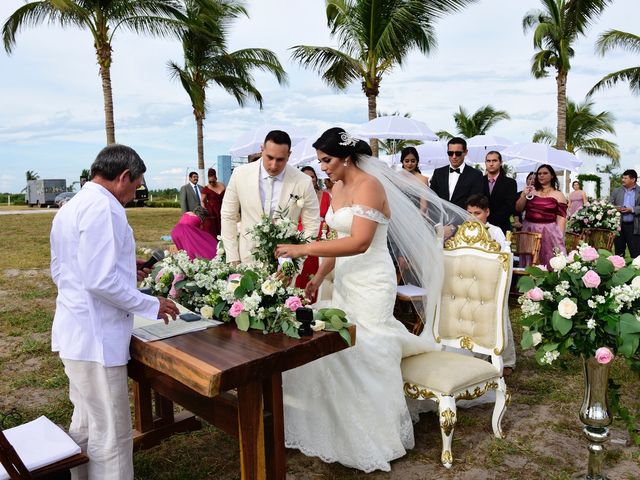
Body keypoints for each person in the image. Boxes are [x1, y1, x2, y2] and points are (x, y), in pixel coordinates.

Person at [274, 127, 467, 472]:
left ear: (346, 157)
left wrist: (303, 248)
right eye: (319, 161)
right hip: (346, 279)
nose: (323, 168)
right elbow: (338, 236)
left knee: (368, 348)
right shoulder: (336, 187)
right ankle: (339, 422)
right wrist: (319, 277)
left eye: (327, 160)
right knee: (334, 345)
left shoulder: (370, 186)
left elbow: (360, 241)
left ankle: (380, 432)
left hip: (373, 280)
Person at [50, 144, 179, 479]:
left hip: (76, 329)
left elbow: (66, 270)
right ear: (124, 177)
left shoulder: (72, 205)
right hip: (97, 338)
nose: (135, 194)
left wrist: (125, 268)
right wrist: (152, 304)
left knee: (88, 420)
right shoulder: (105, 209)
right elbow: (99, 281)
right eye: (136, 186)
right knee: (112, 432)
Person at [220, 130, 320, 264]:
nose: (273, 165)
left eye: (280, 160)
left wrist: (296, 262)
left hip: (285, 264)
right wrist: (232, 257)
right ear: (262, 149)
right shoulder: (240, 174)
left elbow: (312, 224)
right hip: (246, 260)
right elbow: (228, 216)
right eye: (270, 157)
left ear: (289, 155)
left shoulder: (303, 181)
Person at [465, 194, 516, 375]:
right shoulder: (465, 230)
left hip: (493, 280)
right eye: (469, 213)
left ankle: (507, 359)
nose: (473, 217)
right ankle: (478, 355)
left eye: (477, 213)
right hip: (471, 280)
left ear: (487, 212)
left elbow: (504, 257)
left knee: (500, 316)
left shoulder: (495, 231)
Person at [515, 164, 568, 266]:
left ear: (552, 175)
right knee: (529, 260)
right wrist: (523, 195)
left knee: (549, 259)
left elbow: (561, 218)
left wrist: (559, 237)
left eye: (545, 173)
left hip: (549, 231)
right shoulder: (531, 191)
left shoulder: (559, 195)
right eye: (539, 174)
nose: (541, 176)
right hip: (529, 230)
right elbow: (518, 208)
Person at [294, 166, 331, 301]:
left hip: (322, 236)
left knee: (318, 268)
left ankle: (316, 299)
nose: (310, 180)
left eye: (313, 176)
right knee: (302, 270)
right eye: (306, 177)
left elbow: (331, 217)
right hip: (302, 236)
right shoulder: (296, 197)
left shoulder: (326, 195)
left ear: (316, 178)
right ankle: (298, 300)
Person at [428, 137, 484, 209]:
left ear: (465, 152)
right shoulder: (438, 173)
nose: (454, 157)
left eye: (458, 153)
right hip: (441, 218)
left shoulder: (476, 175)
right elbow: (432, 198)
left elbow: (476, 201)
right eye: (450, 153)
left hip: (464, 218)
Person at [483, 151, 517, 234]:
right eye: (488, 161)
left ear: (501, 163)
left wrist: (490, 222)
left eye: (494, 161)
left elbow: (509, 206)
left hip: (502, 227)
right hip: (481, 226)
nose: (491, 164)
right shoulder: (478, 181)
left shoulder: (510, 183)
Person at [610, 169, 640, 258]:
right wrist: (616, 208)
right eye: (622, 178)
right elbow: (609, 204)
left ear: (633, 179)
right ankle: (619, 270)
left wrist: (632, 209)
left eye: (625, 178)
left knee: (636, 254)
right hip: (619, 226)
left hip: (634, 226)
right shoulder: (616, 191)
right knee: (619, 254)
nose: (623, 180)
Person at [200, 167, 225, 238]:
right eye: (209, 181)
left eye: (213, 181)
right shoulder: (206, 188)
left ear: (216, 178)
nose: (211, 183)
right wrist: (205, 210)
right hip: (211, 211)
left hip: (221, 208)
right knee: (212, 229)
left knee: (223, 226)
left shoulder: (222, 185)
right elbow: (202, 201)